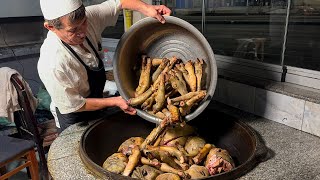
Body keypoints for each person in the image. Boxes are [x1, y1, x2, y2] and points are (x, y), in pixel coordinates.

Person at [37, 0, 171, 132]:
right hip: (75, 114)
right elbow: (76, 105)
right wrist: (115, 101)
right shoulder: (52, 62)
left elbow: (120, 3)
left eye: (84, 22)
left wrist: (146, 8)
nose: (83, 32)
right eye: (73, 30)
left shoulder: (88, 17)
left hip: (97, 103)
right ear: (51, 27)